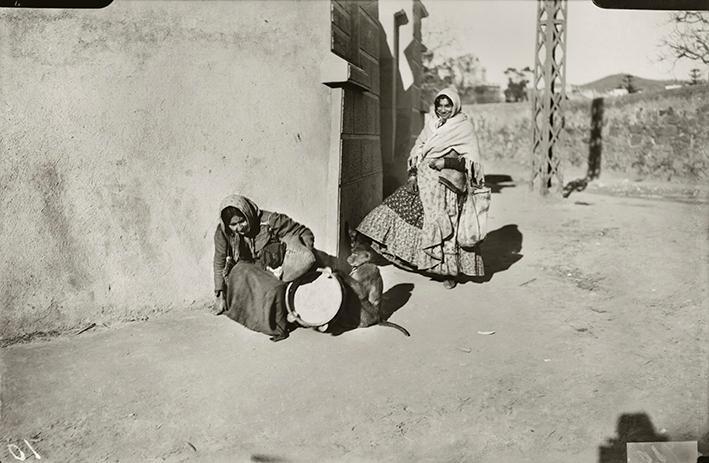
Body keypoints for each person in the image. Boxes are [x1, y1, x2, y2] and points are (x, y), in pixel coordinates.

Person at [356, 88, 485, 289]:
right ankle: (406, 257)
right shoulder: (431, 125)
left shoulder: (463, 127)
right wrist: (413, 174)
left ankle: (448, 272)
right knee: (398, 208)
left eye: (447, 105)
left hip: (447, 185)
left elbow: (471, 162)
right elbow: (419, 150)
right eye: (439, 105)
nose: (443, 109)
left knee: (445, 225)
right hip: (423, 180)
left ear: (455, 106)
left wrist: (446, 163)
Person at [213, 194, 317, 341]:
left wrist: (298, 257)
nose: (239, 227)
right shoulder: (223, 232)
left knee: (274, 289)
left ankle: (277, 322)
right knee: (241, 274)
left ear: (247, 213)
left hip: (273, 269)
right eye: (233, 224)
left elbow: (304, 233)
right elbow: (219, 261)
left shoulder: (270, 220)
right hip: (247, 272)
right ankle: (268, 320)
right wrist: (220, 293)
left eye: (242, 221)